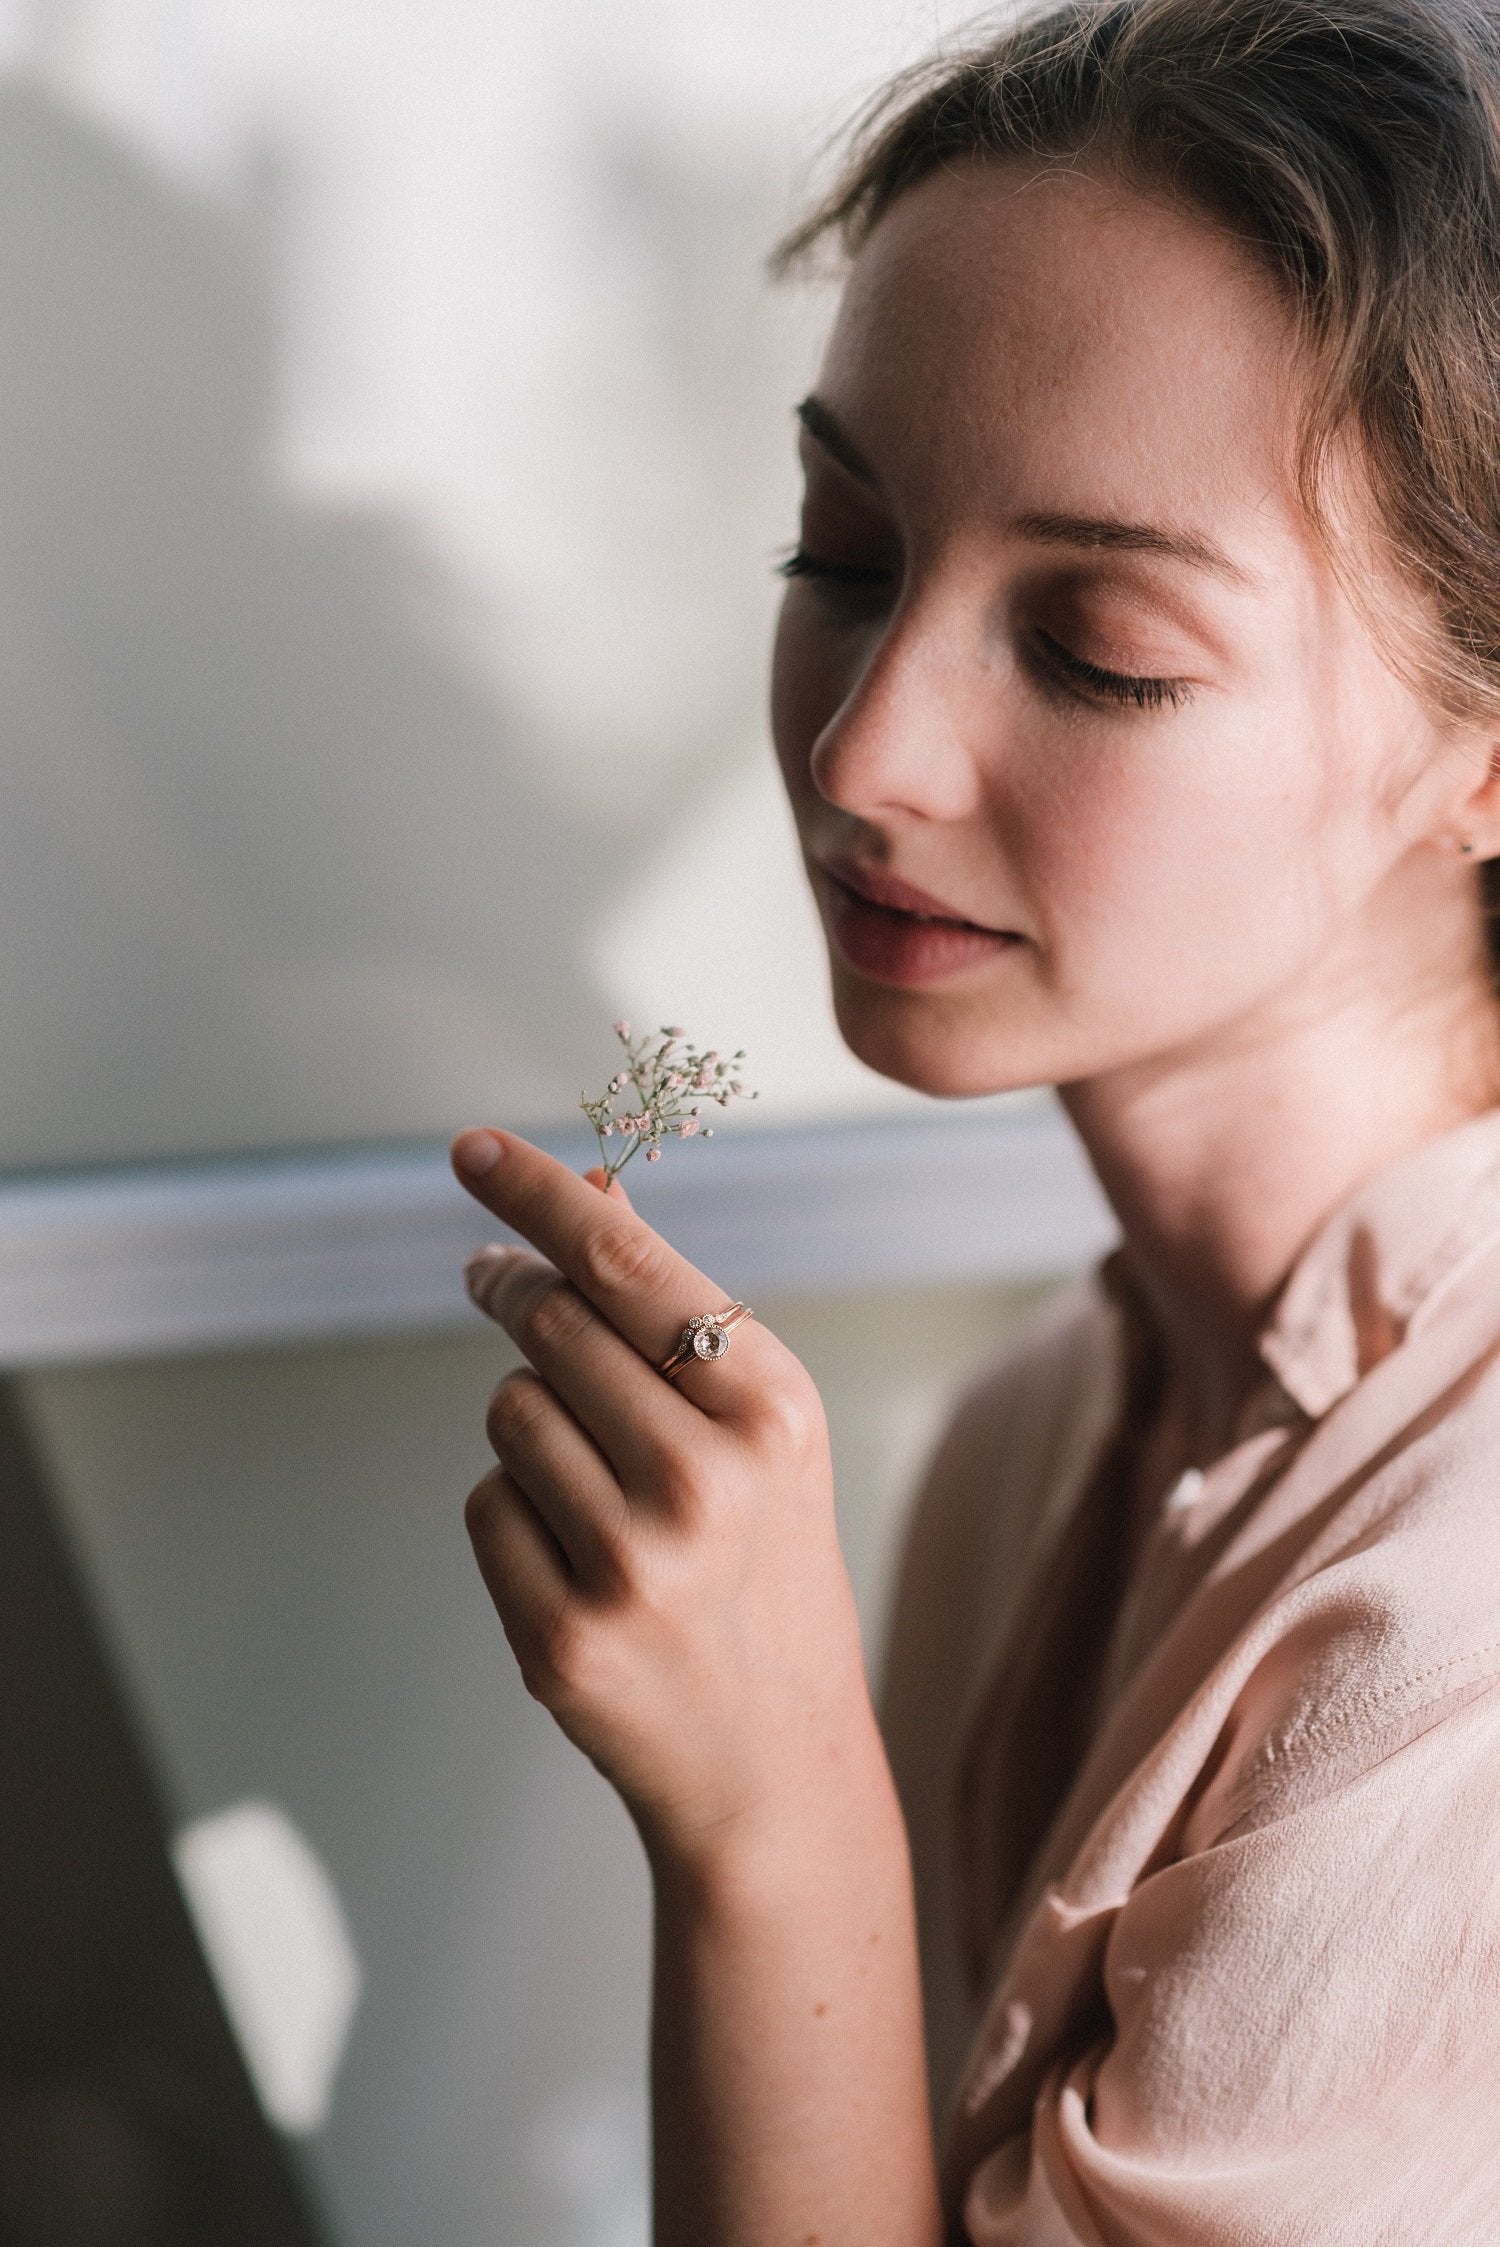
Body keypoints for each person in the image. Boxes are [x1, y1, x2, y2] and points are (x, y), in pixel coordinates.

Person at [450, 2, 1500, 2237]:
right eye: (843, 552)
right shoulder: (1030, 1439)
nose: (864, 752)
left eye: (1102, 644)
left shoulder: (1462, 1625)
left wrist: (771, 1820)